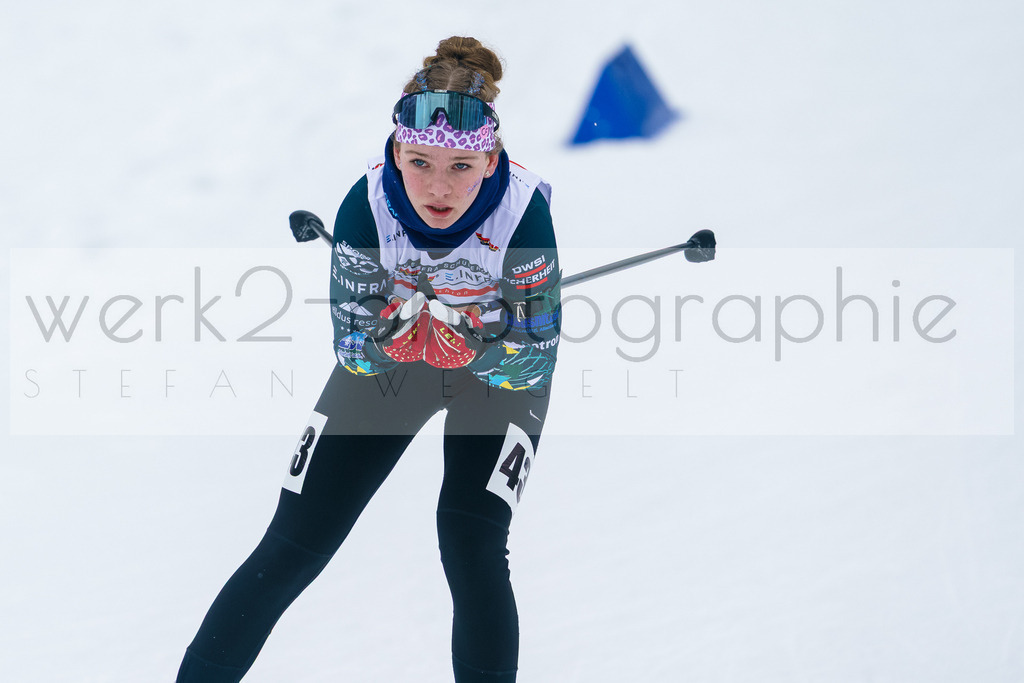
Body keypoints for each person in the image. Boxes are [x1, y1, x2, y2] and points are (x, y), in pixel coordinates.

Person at [176, 36, 561, 683]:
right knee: (294, 542)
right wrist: (399, 335)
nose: (438, 186)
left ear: (491, 161)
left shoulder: (524, 211)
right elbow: (354, 348)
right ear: (396, 151)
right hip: (393, 368)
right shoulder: (369, 203)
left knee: (471, 544)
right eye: (420, 161)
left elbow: (534, 360)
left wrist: (475, 346)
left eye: (461, 167)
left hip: (491, 377)